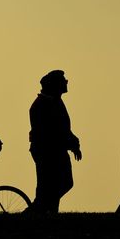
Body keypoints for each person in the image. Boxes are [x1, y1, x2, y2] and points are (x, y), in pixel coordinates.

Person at [26, 70, 82, 214]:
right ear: (55, 85)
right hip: (47, 152)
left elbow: (64, 128)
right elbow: (52, 132)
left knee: (59, 184)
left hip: (56, 150)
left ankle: (45, 210)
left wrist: (74, 143)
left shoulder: (55, 101)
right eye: (63, 80)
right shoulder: (42, 104)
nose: (66, 82)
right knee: (53, 185)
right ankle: (36, 210)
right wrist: (71, 143)